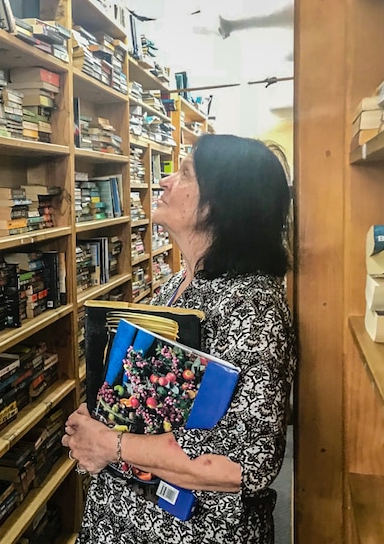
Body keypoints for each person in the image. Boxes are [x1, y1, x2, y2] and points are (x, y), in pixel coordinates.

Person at [63, 134, 297, 544]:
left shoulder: (253, 307)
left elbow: (244, 465)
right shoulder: (176, 285)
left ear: (225, 202)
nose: (165, 181)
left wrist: (108, 444)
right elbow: (137, 397)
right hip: (122, 518)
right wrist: (95, 421)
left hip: (189, 532)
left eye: (186, 172)